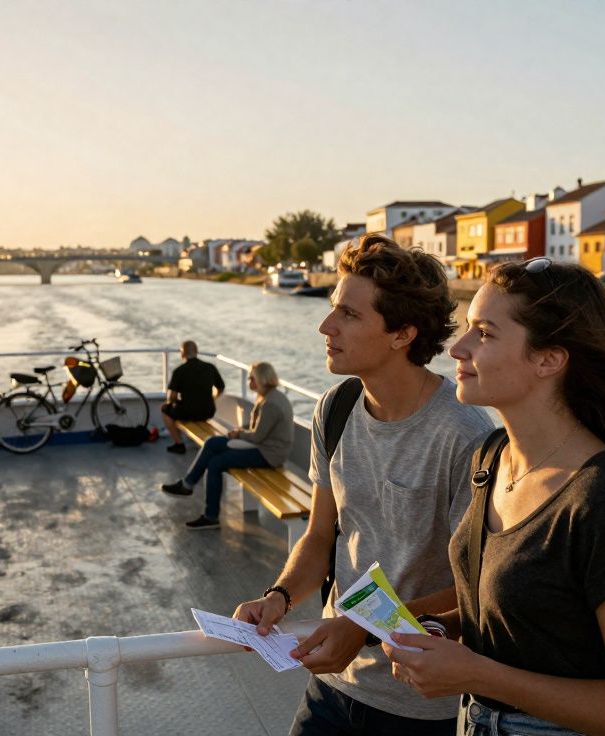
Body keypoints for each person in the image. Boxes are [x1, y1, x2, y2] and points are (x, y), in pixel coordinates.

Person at [381, 257, 605, 736]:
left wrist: (476, 674)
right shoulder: (491, 458)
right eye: (467, 327)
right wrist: (441, 631)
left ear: (549, 359)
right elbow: (524, 620)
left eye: (485, 333)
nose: (457, 347)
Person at [233, 235, 493, 736]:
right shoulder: (335, 408)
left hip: (416, 704)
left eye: (348, 315)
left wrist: (362, 630)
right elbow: (320, 536)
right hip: (334, 685)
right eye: (333, 309)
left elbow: (477, 588)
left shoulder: (465, 435)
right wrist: (279, 598)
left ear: (401, 334)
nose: (325, 326)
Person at [160, 361, 294, 530]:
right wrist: (239, 430)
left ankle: (210, 515)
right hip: (263, 446)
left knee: (216, 463)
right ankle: (187, 485)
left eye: (251, 378)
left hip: (270, 454)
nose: (249, 382)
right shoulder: (267, 396)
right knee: (212, 442)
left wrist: (238, 434)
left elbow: (258, 436)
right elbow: (256, 428)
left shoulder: (271, 404)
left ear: (261, 379)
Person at [160, 340, 225, 454]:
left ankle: (179, 444)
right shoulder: (210, 367)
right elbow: (221, 387)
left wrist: (173, 403)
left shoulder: (179, 371)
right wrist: (212, 398)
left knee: (165, 409)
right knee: (193, 408)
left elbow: (172, 396)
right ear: (196, 352)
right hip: (208, 411)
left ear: (182, 354)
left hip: (188, 412)